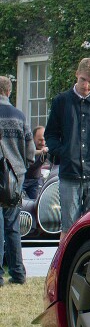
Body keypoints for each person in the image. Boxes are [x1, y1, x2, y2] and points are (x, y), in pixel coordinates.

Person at [45, 58, 90, 238]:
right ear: (77, 75)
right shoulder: (61, 101)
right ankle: (65, 267)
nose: (86, 86)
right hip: (70, 173)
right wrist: (63, 153)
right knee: (68, 230)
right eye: (83, 80)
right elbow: (50, 135)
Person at [0, 76, 34, 287]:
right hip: (16, 177)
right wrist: (21, 167)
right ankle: (18, 273)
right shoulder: (20, 116)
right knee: (12, 226)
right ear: (9, 92)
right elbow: (30, 151)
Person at [23, 125, 49, 199]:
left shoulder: (46, 149)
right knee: (19, 203)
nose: (43, 143)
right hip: (23, 179)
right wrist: (41, 151)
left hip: (35, 181)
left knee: (36, 201)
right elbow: (29, 152)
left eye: (44, 140)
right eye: (40, 140)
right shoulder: (27, 146)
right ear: (33, 138)